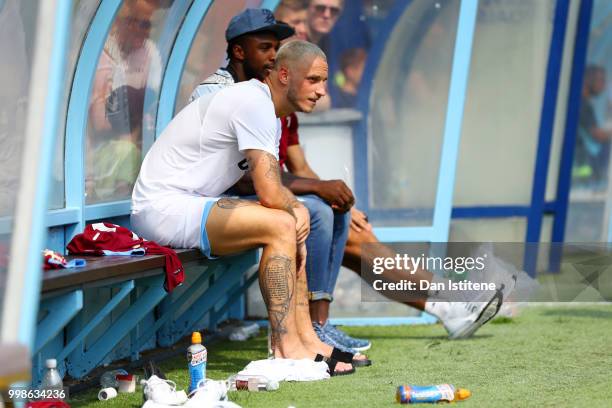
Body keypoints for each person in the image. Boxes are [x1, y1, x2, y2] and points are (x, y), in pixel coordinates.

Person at [132, 38, 357, 376]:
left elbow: (265, 188)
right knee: (283, 222)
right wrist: (296, 209)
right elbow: (269, 191)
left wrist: (295, 211)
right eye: (313, 80)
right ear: (283, 75)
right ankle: (285, 348)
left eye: (324, 81)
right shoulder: (255, 103)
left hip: (189, 204)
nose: (322, 90)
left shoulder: (267, 109)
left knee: (287, 220)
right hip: (162, 207)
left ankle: (306, 340)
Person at [190, 8, 373, 357]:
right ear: (240, 51)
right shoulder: (216, 92)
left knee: (329, 210)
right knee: (311, 212)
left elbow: (271, 169)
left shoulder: (265, 97)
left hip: (240, 197)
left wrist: (319, 190)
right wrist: (312, 191)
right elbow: (247, 179)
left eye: (276, 46)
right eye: (265, 47)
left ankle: (316, 326)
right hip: (209, 203)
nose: (274, 54)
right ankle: (295, 337)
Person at [574, 65, 612, 184]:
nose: (604, 86)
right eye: (601, 80)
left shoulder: (584, 104)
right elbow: (598, 136)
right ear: (587, 79)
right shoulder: (581, 105)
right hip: (580, 173)